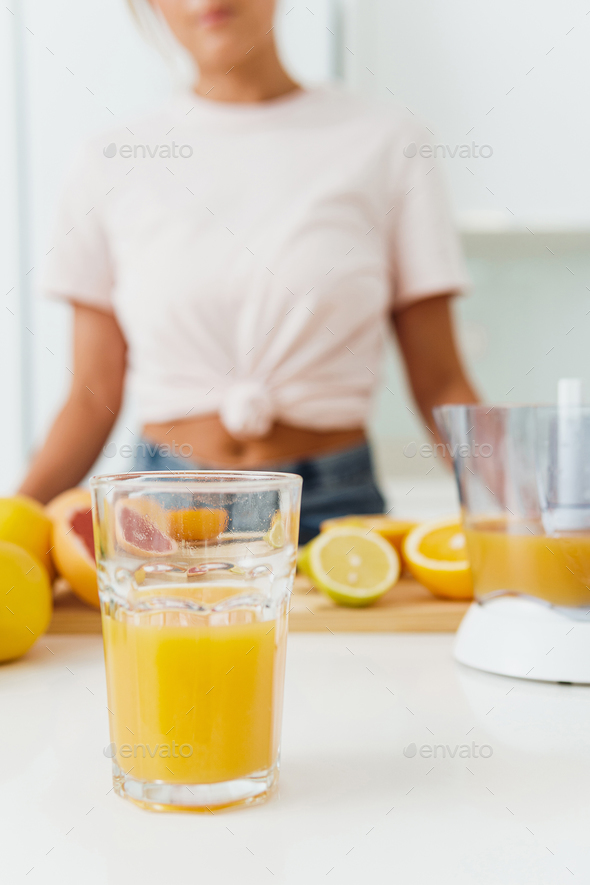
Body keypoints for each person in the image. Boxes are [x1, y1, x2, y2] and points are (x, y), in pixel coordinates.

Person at [20, 0, 478, 542]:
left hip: (334, 507)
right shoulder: (108, 161)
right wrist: (14, 521)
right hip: (164, 509)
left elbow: (441, 381)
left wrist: (524, 511)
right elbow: (91, 396)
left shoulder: (389, 143)